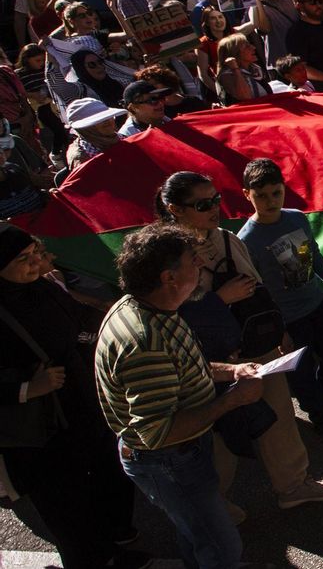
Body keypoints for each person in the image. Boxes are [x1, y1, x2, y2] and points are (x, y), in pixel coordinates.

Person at [156, 172, 323, 517]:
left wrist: (276, 332)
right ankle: (211, 505)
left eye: (215, 200)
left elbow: (258, 289)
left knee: (278, 417)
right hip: (207, 360)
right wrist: (219, 300)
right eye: (202, 204)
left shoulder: (228, 239)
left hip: (252, 347)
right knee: (216, 435)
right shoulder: (163, 255)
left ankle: (293, 485)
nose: (214, 208)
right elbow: (163, 313)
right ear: (175, 210)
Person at [95, 223, 264, 569]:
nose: (201, 264)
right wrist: (232, 399)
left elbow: (187, 364)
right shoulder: (145, 343)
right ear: (169, 277)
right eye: (193, 260)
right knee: (222, 545)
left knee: (197, 532)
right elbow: (158, 432)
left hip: (182, 455)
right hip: (170, 460)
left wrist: (232, 371)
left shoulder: (155, 308)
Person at [0, 226, 146, 569]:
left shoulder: (45, 288)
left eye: (36, 251)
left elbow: (79, 321)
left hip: (83, 404)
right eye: (23, 259)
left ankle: (114, 545)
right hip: (41, 431)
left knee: (108, 476)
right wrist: (26, 388)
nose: (36, 262)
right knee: (67, 507)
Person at [236, 158, 323, 439]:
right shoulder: (247, 240)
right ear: (247, 195)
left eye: (276, 193)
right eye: (261, 196)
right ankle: (322, 417)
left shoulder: (296, 217)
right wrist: (279, 331)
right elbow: (257, 293)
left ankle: (322, 400)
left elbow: (314, 256)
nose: (270, 201)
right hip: (288, 319)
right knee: (301, 374)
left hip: (317, 303)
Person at [63, 97, 125, 171]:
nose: (108, 121)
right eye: (99, 120)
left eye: (108, 116)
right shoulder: (81, 158)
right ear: (84, 129)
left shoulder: (122, 138)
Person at [214, 33, 273, 105]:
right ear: (234, 53)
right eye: (246, 46)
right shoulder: (227, 75)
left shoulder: (255, 70)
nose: (253, 47)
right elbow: (245, 97)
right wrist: (235, 69)